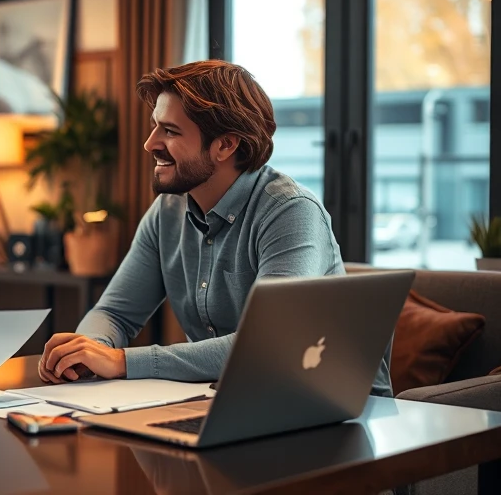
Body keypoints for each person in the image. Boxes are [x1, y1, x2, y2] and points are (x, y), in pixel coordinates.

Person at [39, 60, 393, 397]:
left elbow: (269, 346)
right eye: (154, 125)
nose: (150, 144)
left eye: (170, 131)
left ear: (225, 145)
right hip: (226, 397)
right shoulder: (168, 209)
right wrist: (86, 354)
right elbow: (114, 313)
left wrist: (121, 361)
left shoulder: (291, 212)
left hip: (335, 407)